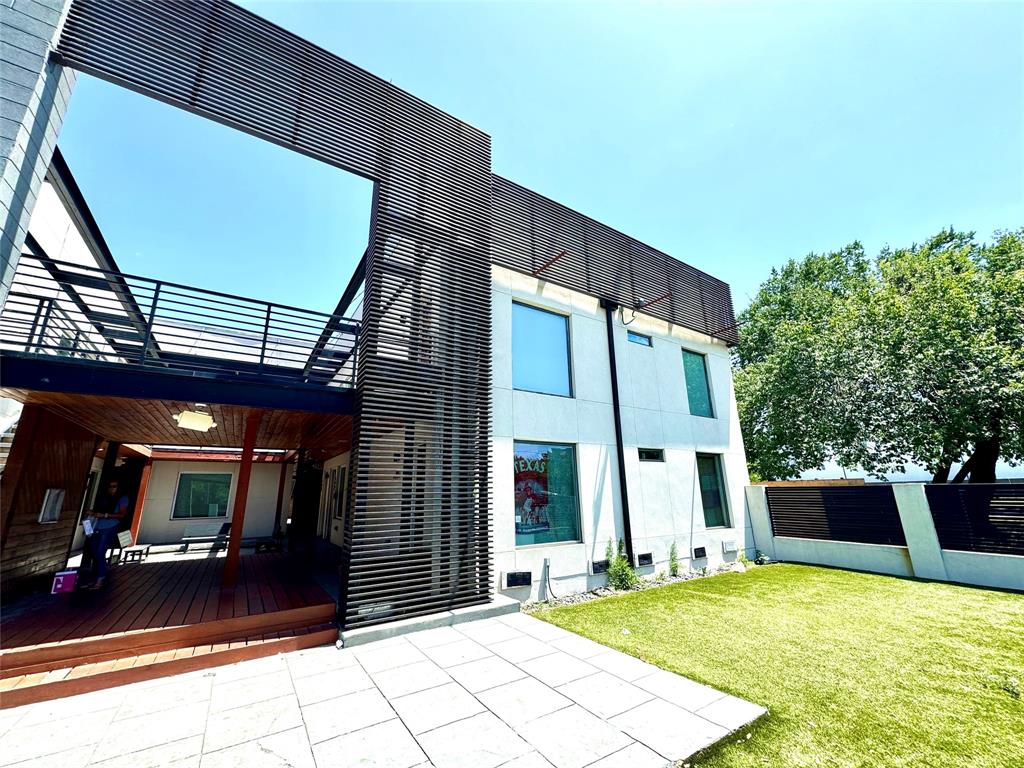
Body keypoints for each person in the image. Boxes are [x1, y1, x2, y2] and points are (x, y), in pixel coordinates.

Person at [82, 479, 131, 590]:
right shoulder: (104, 497)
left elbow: (122, 514)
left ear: (119, 488)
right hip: (97, 525)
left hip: (110, 526)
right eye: (110, 486)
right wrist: (92, 513)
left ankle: (100, 579)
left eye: (114, 486)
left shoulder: (122, 498)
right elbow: (97, 511)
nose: (112, 488)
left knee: (100, 552)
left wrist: (104, 515)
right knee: (94, 552)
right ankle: (95, 578)